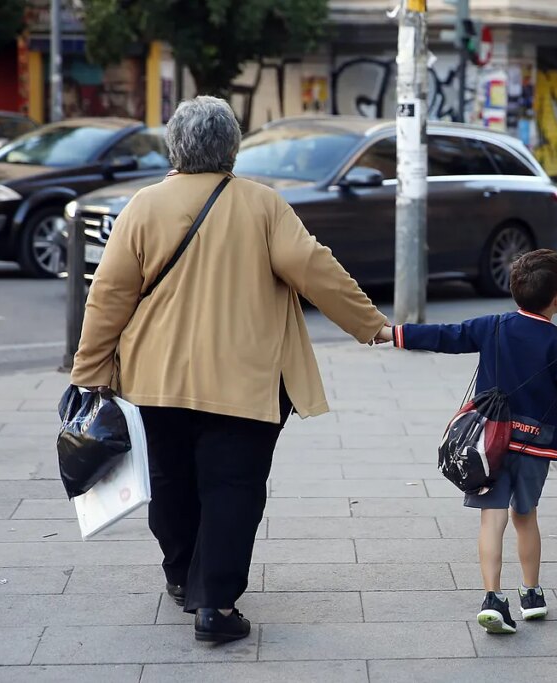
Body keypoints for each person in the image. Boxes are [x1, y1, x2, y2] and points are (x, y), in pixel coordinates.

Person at [70, 96, 388, 643]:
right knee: (233, 488)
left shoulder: (142, 207)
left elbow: (108, 297)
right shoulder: (264, 206)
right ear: (232, 149)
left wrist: (88, 372)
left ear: (175, 145)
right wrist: (371, 325)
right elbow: (315, 268)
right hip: (246, 383)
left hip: (156, 380)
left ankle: (180, 576)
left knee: (169, 482)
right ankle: (214, 605)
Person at [378, 249, 557, 634]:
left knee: (492, 518)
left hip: (489, 446)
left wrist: (391, 333)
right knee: (525, 515)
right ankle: (531, 594)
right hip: (536, 447)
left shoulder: (494, 326)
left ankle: (492, 599)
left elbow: (444, 335)